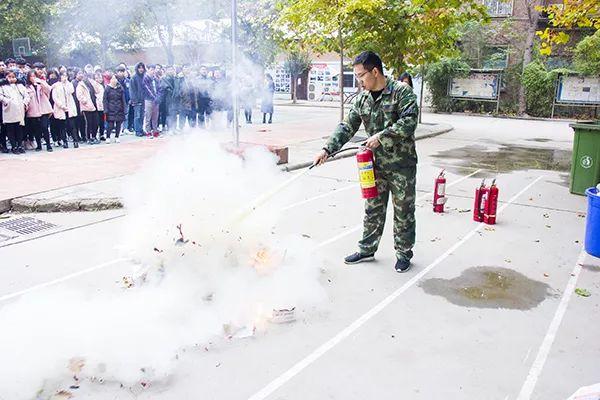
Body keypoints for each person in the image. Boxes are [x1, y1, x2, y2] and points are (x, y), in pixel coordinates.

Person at [313, 51, 419, 273]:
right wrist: (327, 149)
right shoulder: (362, 99)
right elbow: (347, 126)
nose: (359, 81)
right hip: (375, 166)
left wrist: (381, 136)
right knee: (372, 209)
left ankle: (403, 253)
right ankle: (367, 249)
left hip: (402, 167)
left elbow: (409, 122)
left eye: (361, 76)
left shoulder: (402, 92)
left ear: (375, 71)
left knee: (403, 212)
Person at [0, 70, 30, 154]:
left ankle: (19, 145)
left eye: (13, 77)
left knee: (19, 128)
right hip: (8, 110)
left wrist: (24, 103)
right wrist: (6, 100)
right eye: (9, 77)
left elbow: (27, 95)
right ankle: (14, 146)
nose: (11, 79)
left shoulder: (20, 86)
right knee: (10, 129)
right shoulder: (2, 86)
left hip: (19, 110)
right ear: (5, 77)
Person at [24, 70, 53, 152]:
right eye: (31, 76)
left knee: (45, 127)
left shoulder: (42, 83)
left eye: (34, 76)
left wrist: (40, 82)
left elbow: (48, 89)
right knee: (36, 129)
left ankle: (48, 145)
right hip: (33, 110)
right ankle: (39, 145)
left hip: (44, 109)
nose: (33, 78)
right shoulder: (27, 87)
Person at [51, 71, 79, 148]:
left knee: (72, 126)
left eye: (66, 76)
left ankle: (75, 141)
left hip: (69, 108)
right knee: (62, 127)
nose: (64, 78)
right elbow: (55, 97)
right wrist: (61, 105)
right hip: (61, 109)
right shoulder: (56, 86)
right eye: (63, 76)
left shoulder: (69, 84)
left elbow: (71, 91)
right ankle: (64, 141)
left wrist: (67, 83)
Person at [76, 71, 100, 144]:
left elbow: (97, 91)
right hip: (87, 107)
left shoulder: (91, 83)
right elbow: (79, 96)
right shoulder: (80, 85)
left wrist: (94, 83)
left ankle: (94, 136)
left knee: (96, 122)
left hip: (94, 105)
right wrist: (85, 101)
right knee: (88, 123)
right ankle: (88, 138)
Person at [102, 73, 126, 143]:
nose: (114, 80)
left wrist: (124, 108)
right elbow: (105, 100)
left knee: (118, 124)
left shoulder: (120, 88)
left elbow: (123, 99)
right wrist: (105, 109)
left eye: (115, 79)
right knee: (110, 125)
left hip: (119, 108)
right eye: (112, 79)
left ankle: (117, 136)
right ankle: (108, 137)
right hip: (110, 109)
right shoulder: (107, 89)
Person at [129, 62, 146, 137]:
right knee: (137, 116)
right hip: (136, 101)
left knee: (142, 116)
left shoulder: (145, 77)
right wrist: (134, 100)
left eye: (142, 68)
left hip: (144, 100)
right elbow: (132, 90)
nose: (141, 69)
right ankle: (137, 131)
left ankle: (141, 129)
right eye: (139, 67)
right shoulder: (134, 78)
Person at [143, 64, 160, 137]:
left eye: (154, 69)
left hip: (156, 100)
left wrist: (158, 97)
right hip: (148, 100)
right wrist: (154, 97)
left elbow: (159, 88)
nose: (153, 71)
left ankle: (155, 131)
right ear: (148, 69)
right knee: (148, 116)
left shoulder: (156, 79)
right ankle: (148, 131)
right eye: (151, 69)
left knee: (155, 116)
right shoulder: (145, 78)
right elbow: (147, 89)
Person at [93, 71, 105, 140]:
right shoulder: (94, 86)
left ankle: (102, 134)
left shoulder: (102, 86)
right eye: (97, 78)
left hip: (102, 106)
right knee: (96, 122)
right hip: (96, 106)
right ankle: (94, 135)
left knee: (102, 121)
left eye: (100, 78)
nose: (99, 79)